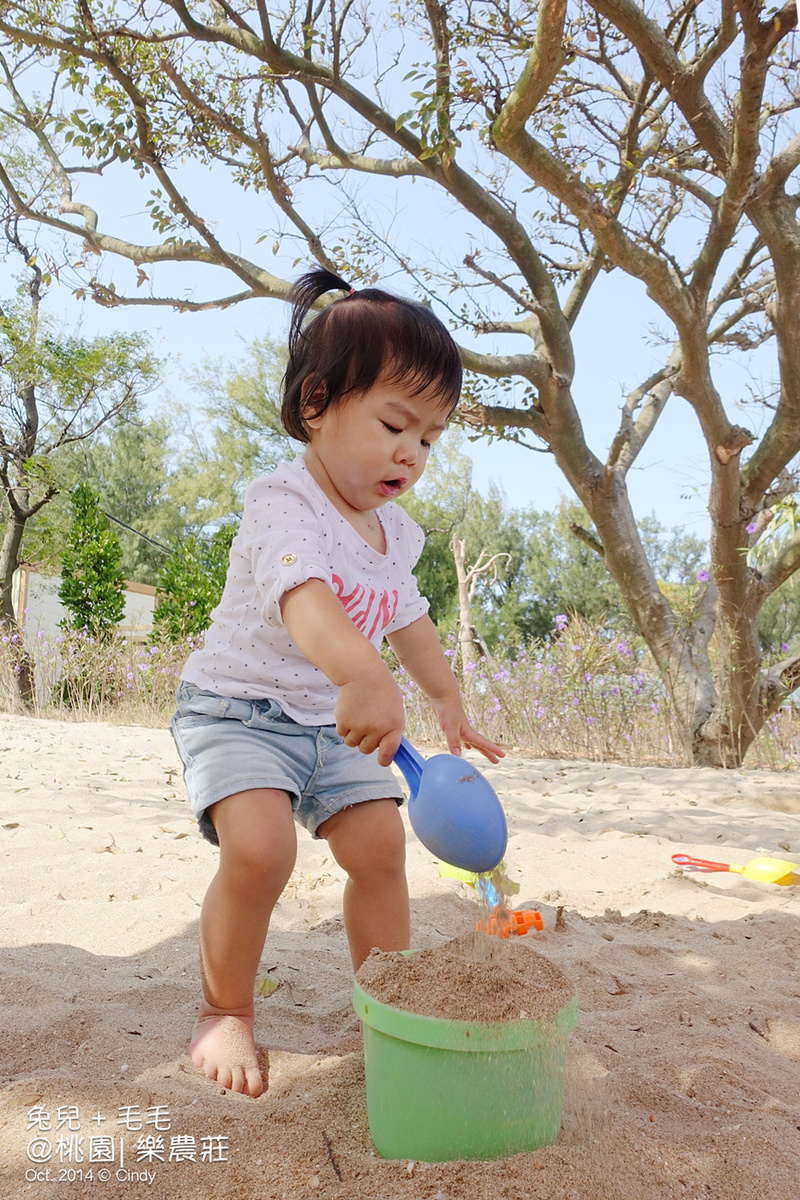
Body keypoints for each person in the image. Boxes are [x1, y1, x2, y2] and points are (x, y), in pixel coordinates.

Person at [170, 268, 504, 1097]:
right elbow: (305, 600)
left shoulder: (397, 533)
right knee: (260, 848)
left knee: (382, 849)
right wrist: (361, 674)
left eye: (430, 437)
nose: (412, 453)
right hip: (237, 710)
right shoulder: (282, 500)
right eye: (396, 423)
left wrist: (444, 696)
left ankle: (387, 1009)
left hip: (334, 724)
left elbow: (409, 618)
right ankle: (225, 1010)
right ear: (317, 404)